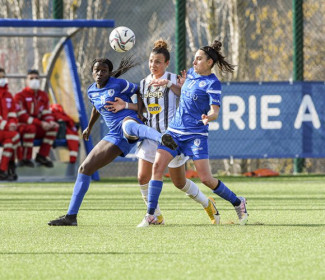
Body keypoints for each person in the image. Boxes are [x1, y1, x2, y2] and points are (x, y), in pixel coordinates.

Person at [47, 57, 177, 226]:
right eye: (97, 70)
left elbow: (138, 90)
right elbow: (95, 108)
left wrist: (138, 110)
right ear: (92, 72)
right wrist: (89, 127)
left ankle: (162, 138)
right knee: (85, 168)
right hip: (114, 135)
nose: (100, 73)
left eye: (104, 70)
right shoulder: (91, 91)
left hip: (130, 121)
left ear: (109, 73)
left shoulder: (119, 84)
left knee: (128, 126)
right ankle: (71, 217)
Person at [108, 40, 221, 225]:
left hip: (171, 137)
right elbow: (143, 108)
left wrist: (172, 84)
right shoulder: (144, 83)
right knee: (142, 177)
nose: (153, 65)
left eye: (158, 61)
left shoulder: (174, 79)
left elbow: (184, 96)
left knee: (179, 183)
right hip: (150, 137)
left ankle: (207, 203)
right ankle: (155, 215)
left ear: (167, 63)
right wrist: (126, 105)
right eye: (151, 61)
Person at [137, 40, 249, 227]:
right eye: (194, 59)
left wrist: (208, 117)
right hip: (174, 131)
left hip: (196, 135)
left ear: (209, 63)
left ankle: (238, 202)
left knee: (205, 178)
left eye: (198, 59)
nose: (194, 62)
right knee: (157, 168)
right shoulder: (189, 74)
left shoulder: (213, 83)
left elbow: (215, 111)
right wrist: (170, 84)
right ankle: (150, 215)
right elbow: (184, 94)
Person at [14, 69, 59, 168]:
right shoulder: (20, 96)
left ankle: (42, 156)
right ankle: (26, 158)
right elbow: (22, 116)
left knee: (53, 128)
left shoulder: (43, 95)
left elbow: (46, 112)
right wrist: (40, 123)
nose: (34, 80)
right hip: (22, 126)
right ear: (26, 81)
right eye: (31, 78)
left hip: (37, 125)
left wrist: (50, 122)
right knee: (31, 128)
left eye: (36, 78)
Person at [0, 68, 20, 180]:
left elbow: (12, 113)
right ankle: (13, 165)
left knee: (9, 143)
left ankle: (2, 170)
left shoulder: (8, 95)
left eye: (3, 77)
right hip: (4, 129)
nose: (2, 80)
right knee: (15, 136)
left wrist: (12, 124)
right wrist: (8, 126)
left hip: (5, 130)